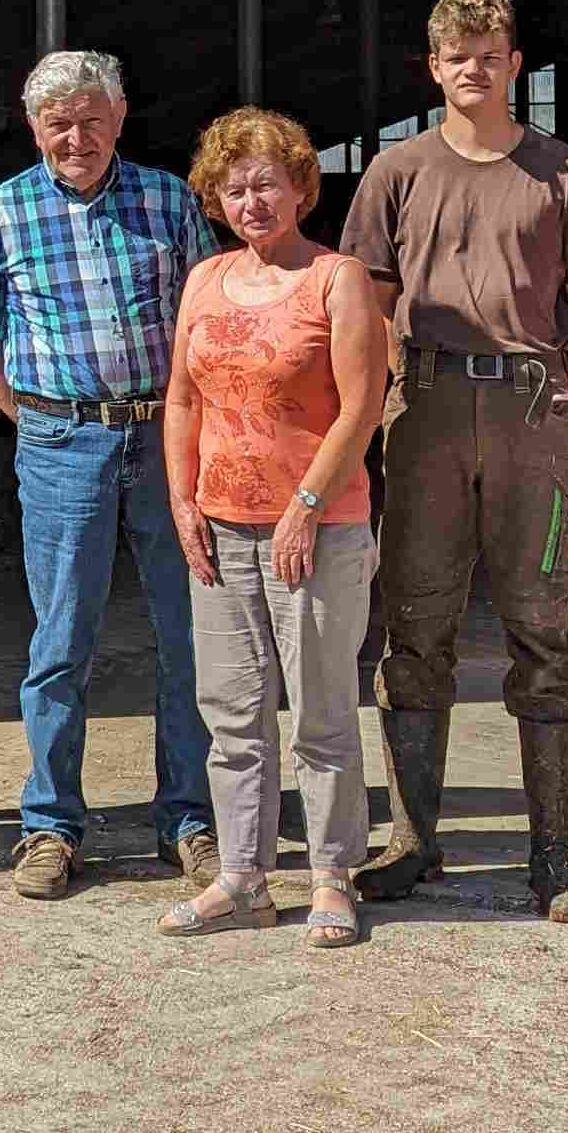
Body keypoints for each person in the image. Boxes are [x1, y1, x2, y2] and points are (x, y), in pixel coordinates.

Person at [340, 0, 568, 922]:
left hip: (529, 412)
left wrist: (541, 385)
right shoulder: (397, 170)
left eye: (490, 52)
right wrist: (405, 388)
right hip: (422, 410)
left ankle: (554, 859)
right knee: (413, 624)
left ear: (514, 63)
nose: (473, 67)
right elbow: (369, 302)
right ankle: (414, 841)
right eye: (455, 55)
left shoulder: (564, 174)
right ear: (434, 68)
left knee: (541, 624)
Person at [0, 50, 217, 900]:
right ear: (35, 129)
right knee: (61, 642)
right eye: (59, 123)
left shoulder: (171, 202)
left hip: (166, 439)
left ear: (120, 118)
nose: (77, 137)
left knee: (190, 634)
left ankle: (191, 818)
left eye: (93, 119)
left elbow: (206, 321)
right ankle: (51, 823)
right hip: (62, 444)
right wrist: (30, 417)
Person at [158, 107, 390, 947]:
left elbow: (362, 405)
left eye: (267, 183)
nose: (252, 199)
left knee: (321, 709)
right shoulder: (205, 280)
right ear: (216, 200)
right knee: (231, 713)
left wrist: (308, 504)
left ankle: (332, 875)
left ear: (300, 187)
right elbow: (184, 398)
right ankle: (243, 878)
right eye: (235, 186)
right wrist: (183, 502)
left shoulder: (338, 279)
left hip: (317, 531)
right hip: (221, 528)